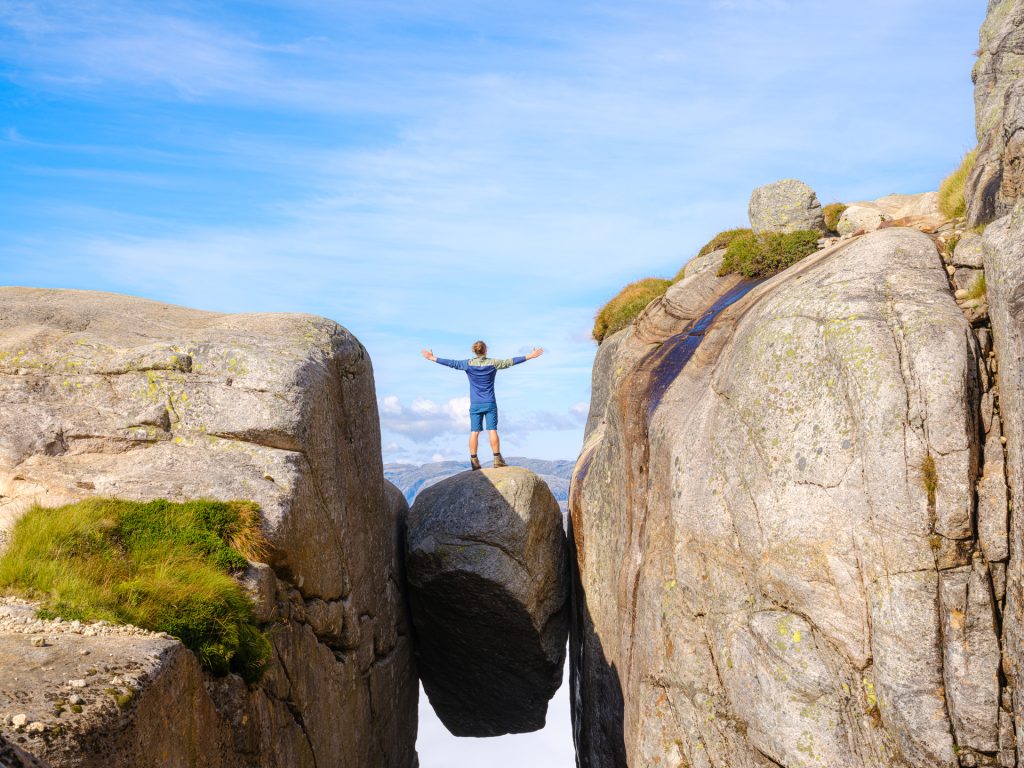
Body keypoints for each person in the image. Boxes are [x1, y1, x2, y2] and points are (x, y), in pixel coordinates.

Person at [421, 340, 544, 470]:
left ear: (474, 351)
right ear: (485, 350)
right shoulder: (494, 363)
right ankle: (497, 459)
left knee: (474, 432)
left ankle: (474, 461)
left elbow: (451, 363)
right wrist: (530, 356)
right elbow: (511, 361)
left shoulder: (467, 364)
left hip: (475, 404)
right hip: (490, 402)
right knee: (492, 430)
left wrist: (431, 358)